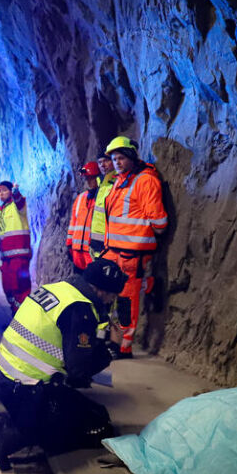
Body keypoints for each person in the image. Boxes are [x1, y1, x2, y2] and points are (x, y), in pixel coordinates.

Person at [0, 259, 128, 471]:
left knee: (94, 415)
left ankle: (21, 421)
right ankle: (6, 436)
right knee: (93, 427)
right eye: (113, 295)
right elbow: (78, 372)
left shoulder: (60, 289)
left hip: (4, 376)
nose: (113, 300)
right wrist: (113, 348)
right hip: (24, 389)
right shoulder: (80, 310)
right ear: (101, 292)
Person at [103, 136, 168, 358]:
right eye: (114, 158)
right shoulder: (121, 181)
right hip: (115, 249)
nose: (117, 162)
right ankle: (113, 338)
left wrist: (147, 235)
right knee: (110, 294)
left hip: (133, 251)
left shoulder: (144, 181)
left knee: (126, 299)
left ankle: (124, 346)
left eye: (121, 157)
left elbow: (159, 221)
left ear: (131, 156)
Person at [0, 181, 31, 314]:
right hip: (7, 258)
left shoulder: (17, 206)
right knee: (8, 287)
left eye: (4, 190)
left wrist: (16, 192)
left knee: (20, 287)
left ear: (10, 191)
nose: (1, 193)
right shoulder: (2, 210)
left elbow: (19, 200)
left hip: (19, 256)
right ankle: (15, 314)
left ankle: (23, 318)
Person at [66, 162, 100, 272]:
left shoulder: (102, 199)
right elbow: (73, 223)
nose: (88, 181)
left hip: (91, 252)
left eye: (91, 178)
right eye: (86, 178)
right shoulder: (80, 198)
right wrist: (69, 244)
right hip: (76, 252)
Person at [89, 151, 118, 258]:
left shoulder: (117, 181)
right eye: (100, 162)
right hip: (97, 240)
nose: (102, 165)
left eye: (106, 161)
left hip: (110, 240)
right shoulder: (101, 183)